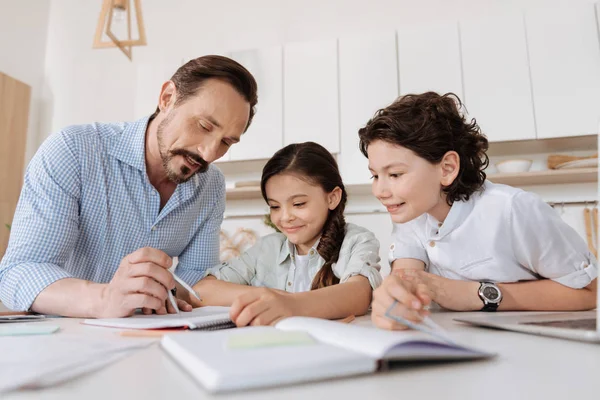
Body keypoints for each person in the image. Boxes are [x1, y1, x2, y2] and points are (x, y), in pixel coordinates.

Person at [0, 55, 258, 318]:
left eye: (226, 142)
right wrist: (105, 299)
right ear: (167, 98)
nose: (209, 153)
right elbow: (19, 271)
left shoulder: (211, 185)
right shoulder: (73, 151)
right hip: (65, 333)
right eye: (204, 125)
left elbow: (194, 281)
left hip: (151, 333)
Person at [358, 92, 598, 331]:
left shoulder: (512, 210)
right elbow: (408, 274)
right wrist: (397, 296)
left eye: (395, 174)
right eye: (375, 175)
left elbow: (587, 292)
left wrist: (477, 294)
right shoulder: (410, 213)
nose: (379, 190)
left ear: (447, 168)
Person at [183, 142, 382, 326]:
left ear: (332, 198)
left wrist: (289, 303)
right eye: (275, 206)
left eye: (298, 204)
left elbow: (359, 294)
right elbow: (200, 292)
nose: (285, 217)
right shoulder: (267, 249)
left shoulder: (356, 241)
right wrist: (267, 296)